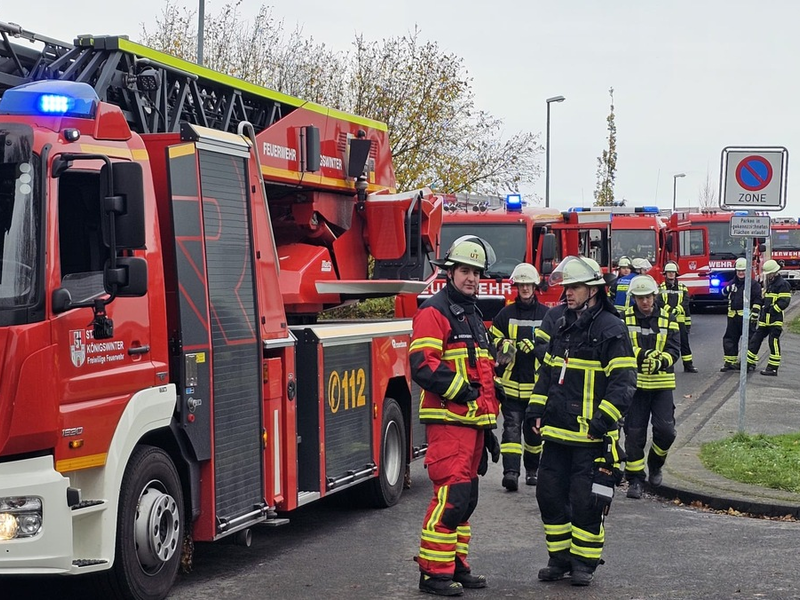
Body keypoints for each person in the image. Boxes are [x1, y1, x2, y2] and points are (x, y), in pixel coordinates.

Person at [524, 256, 637, 587]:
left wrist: (602, 422)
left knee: (587, 501)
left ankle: (584, 563)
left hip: (590, 437)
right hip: (557, 435)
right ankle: (558, 558)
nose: (567, 294)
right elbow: (547, 373)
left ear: (593, 291)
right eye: (566, 288)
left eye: (573, 288)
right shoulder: (561, 325)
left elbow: (624, 382)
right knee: (548, 495)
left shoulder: (610, 329)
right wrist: (535, 409)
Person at [410, 234, 501, 596]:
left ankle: (455, 565)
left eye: (476, 272)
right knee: (451, 500)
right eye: (465, 270)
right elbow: (423, 367)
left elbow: (485, 375)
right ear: (450, 272)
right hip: (449, 424)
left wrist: (489, 425)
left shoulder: (472, 314)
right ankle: (433, 572)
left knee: (466, 502)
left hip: (472, 427)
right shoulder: (436, 311)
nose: (471, 278)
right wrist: (464, 392)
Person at [489, 262, 549, 491]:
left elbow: (552, 348)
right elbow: (492, 340)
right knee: (511, 430)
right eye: (521, 284)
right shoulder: (505, 314)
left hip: (536, 388)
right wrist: (505, 345)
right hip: (511, 386)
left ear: (535, 286)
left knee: (534, 434)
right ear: (516, 286)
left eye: (528, 284)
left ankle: (532, 471)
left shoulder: (546, 315)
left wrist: (535, 347)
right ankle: (511, 473)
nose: (525, 288)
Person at [622, 274, 681, 500]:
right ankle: (635, 480)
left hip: (661, 385)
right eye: (639, 298)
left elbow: (675, 349)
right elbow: (623, 348)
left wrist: (660, 361)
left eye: (647, 297)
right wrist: (644, 355)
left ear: (654, 296)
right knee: (634, 434)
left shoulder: (669, 318)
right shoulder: (624, 319)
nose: (644, 302)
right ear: (634, 299)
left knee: (666, 431)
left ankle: (655, 464)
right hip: (634, 387)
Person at [747, 259, 791, 376]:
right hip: (764, 320)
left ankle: (773, 368)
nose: (769, 275)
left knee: (773, 343)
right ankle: (748, 363)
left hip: (775, 321)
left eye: (770, 273)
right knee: (755, 340)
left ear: (774, 272)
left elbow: (784, 302)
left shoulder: (782, 284)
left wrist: (772, 310)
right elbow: (765, 300)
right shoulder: (770, 284)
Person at [720, 257, 762, 371]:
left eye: (743, 270)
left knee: (750, 339)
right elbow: (722, 293)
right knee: (730, 339)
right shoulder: (732, 283)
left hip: (747, 316)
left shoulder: (753, 285)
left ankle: (750, 362)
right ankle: (730, 362)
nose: (741, 273)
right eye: (739, 270)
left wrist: (755, 314)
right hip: (733, 316)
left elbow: (758, 300)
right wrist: (728, 288)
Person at [658, 261, 698, 373]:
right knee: (665, 343)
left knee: (684, 343)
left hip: (680, 321)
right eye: (669, 272)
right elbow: (659, 302)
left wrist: (679, 312)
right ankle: (664, 365)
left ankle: (688, 365)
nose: (671, 274)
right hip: (665, 321)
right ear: (665, 274)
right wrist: (671, 311)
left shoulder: (683, 287)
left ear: (676, 274)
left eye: (673, 272)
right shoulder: (660, 288)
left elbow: (686, 302)